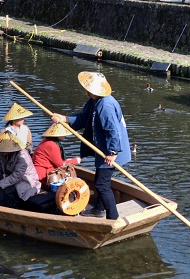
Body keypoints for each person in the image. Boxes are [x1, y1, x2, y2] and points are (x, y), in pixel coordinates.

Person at [51, 71, 132, 220]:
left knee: (101, 184)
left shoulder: (105, 105)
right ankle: (99, 209)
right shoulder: (94, 101)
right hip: (104, 147)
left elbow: (112, 130)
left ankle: (113, 218)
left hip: (111, 149)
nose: (86, 91)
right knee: (103, 181)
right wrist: (65, 119)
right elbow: (83, 118)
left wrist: (113, 152)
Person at [0, 133, 43, 210]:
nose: (1, 151)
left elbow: (17, 176)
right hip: (11, 181)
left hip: (26, 182)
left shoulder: (23, 156)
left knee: (4, 193)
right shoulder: (2, 154)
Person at [31, 122, 80, 188]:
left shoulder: (47, 141)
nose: (65, 136)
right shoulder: (52, 145)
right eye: (64, 134)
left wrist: (68, 161)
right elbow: (60, 164)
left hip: (39, 173)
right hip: (43, 177)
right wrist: (75, 161)